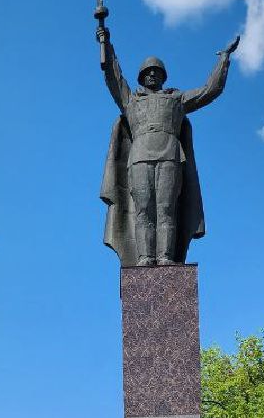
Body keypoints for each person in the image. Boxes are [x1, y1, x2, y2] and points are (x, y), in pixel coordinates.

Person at [95, 21, 238, 266]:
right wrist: (105, 43)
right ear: (141, 77)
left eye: (156, 71)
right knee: (143, 210)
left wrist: (224, 59)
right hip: (139, 157)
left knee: (166, 209)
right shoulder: (130, 100)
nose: (152, 74)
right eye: (148, 72)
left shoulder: (177, 99)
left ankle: (165, 258)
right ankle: (144, 258)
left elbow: (210, 90)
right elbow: (112, 74)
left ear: (163, 76)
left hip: (170, 156)